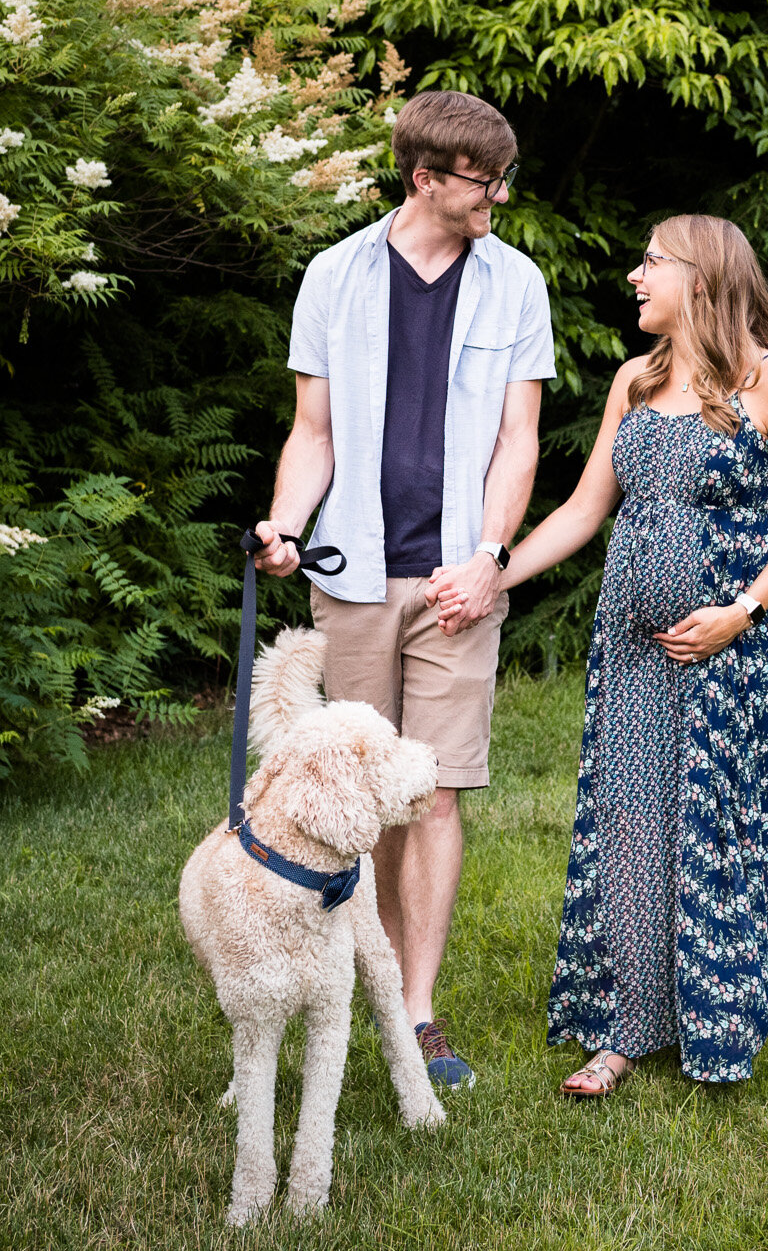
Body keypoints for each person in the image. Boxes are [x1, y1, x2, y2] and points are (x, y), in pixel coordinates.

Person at [434, 214, 768, 1094]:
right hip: (632, 647)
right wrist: (493, 572)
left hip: (736, 654)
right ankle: (623, 1029)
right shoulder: (634, 381)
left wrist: (740, 611)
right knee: (631, 828)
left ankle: (716, 1021)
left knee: (724, 837)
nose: (635, 276)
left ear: (702, 275)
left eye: (652, 261)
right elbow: (583, 511)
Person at [252, 89, 555, 1090]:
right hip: (352, 572)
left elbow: (518, 440)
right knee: (350, 795)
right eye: (482, 182)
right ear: (426, 178)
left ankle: (415, 1012)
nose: (496, 196)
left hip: (455, 581)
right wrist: (284, 525)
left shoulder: (515, 284)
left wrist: (488, 554)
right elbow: (314, 433)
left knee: (429, 795)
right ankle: (350, 983)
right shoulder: (333, 275)